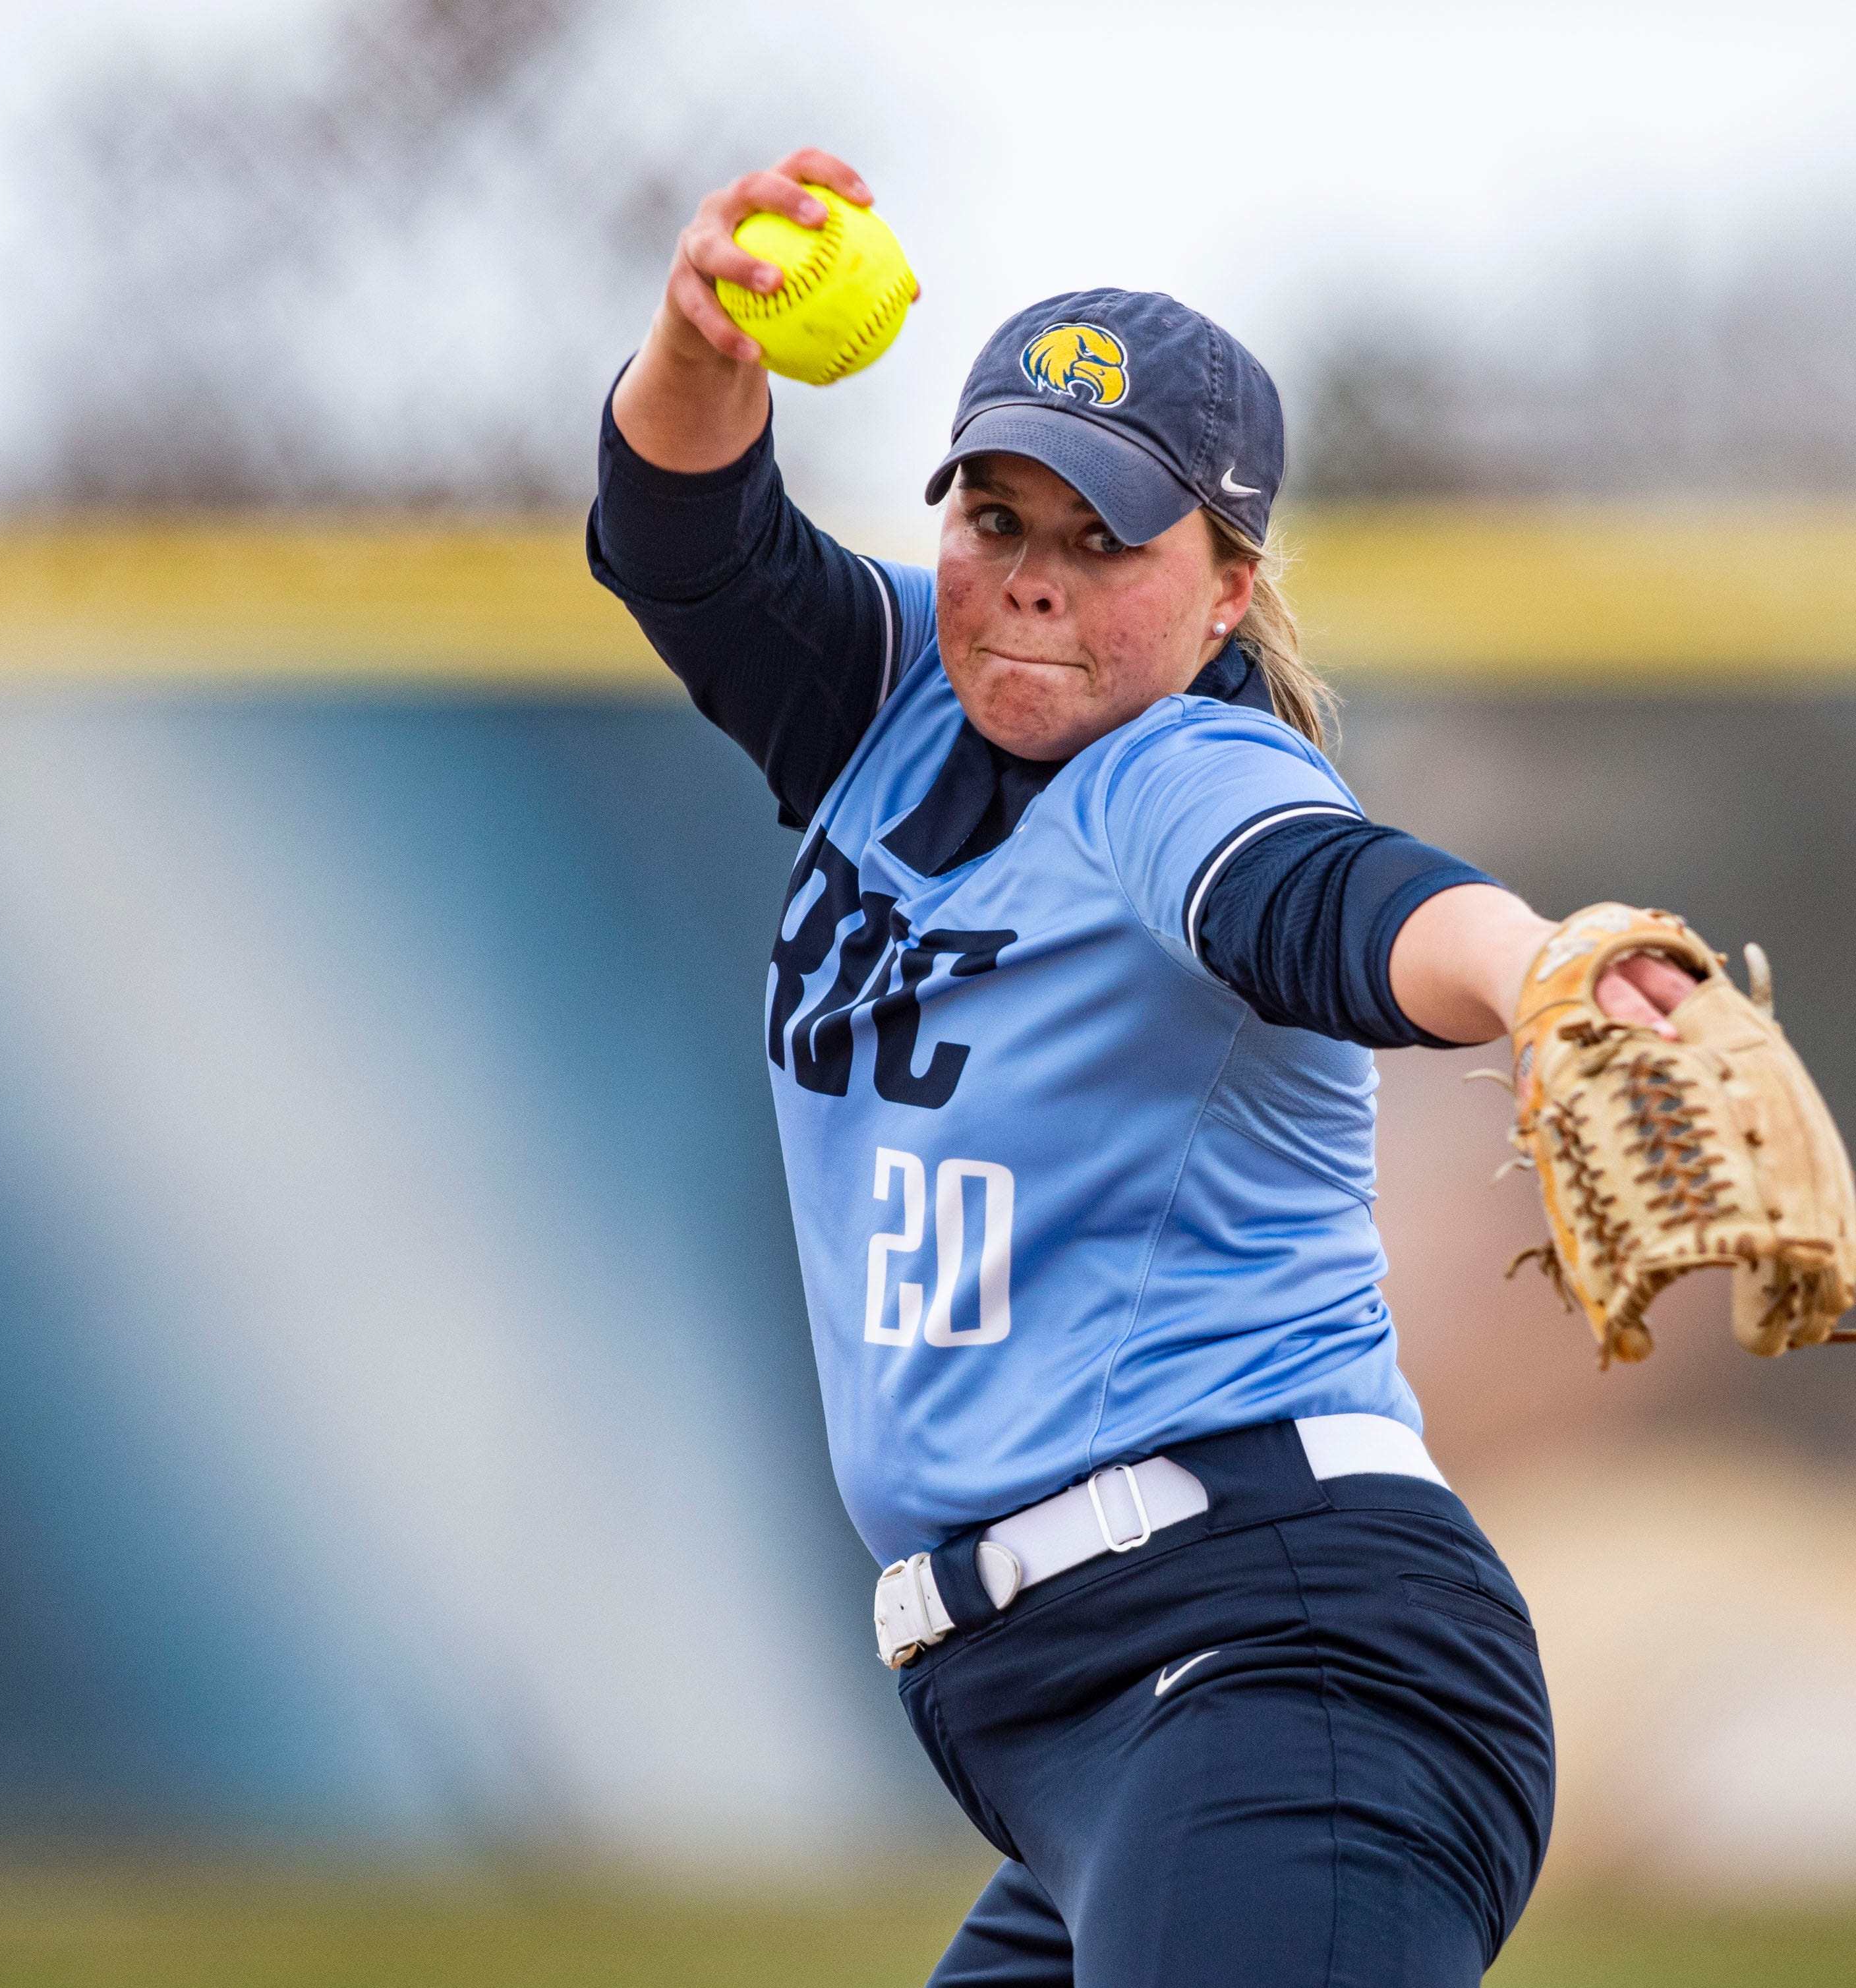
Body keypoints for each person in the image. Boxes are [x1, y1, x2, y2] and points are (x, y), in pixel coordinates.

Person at [590, 148, 1692, 1988]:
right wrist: (701, 339)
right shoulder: (892, 702)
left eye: (1105, 539)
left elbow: (1333, 901)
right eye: (996, 517)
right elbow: (683, 543)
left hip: (1287, 1670)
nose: (1033, 581)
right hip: (1096, 1731)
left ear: (1228, 588)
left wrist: (1539, 968)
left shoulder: (1183, 771)